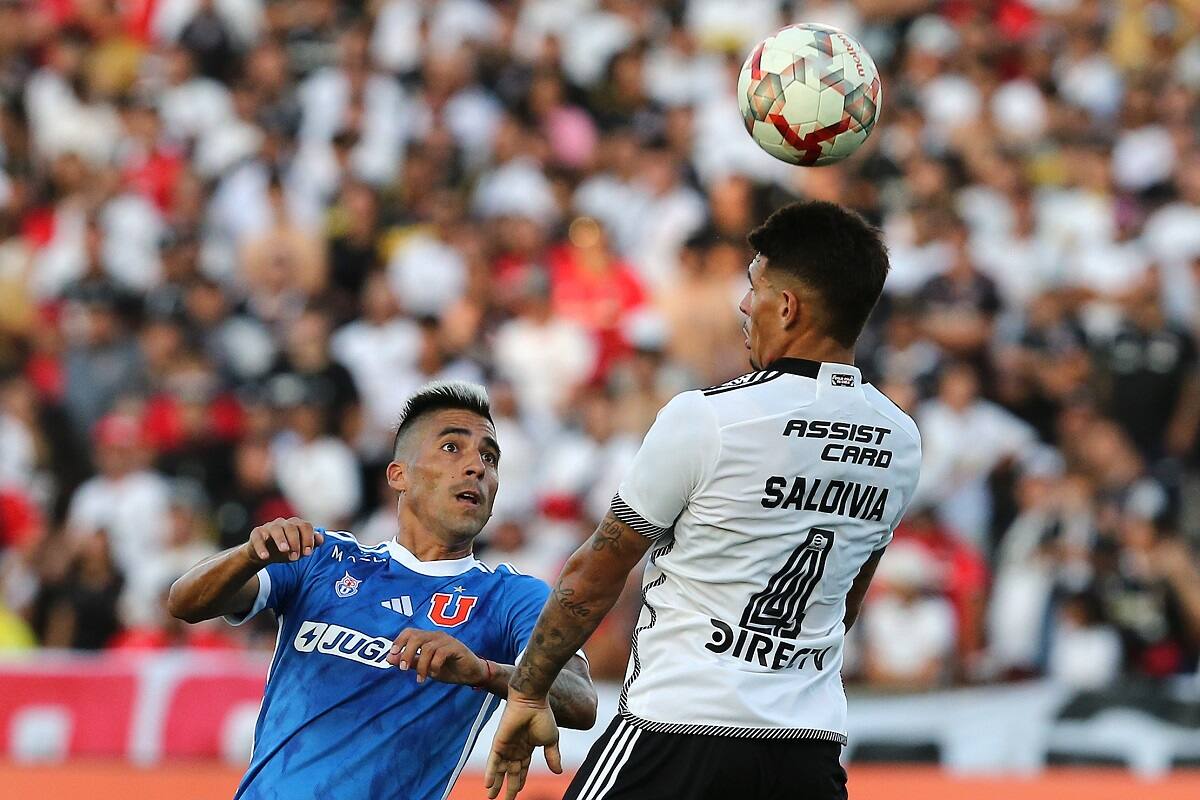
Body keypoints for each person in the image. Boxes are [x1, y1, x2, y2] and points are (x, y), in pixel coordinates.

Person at [486, 201, 923, 800]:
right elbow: (845, 598)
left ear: (788, 307)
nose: (745, 305)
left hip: (677, 730)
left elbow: (596, 571)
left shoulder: (708, 416)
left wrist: (529, 689)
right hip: (807, 747)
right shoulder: (900, 439)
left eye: (754, 287)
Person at [168, 381, 597, 800]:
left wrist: (482, 671)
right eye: (452, 448)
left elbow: (581, 700)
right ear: (399, 475)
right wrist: (250, 554)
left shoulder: (509, 597)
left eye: (490, 457)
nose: (477, 467)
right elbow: (185, 601)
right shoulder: (321, 558)